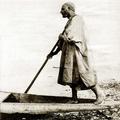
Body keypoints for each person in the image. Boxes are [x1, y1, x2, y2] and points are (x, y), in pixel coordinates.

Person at [47, 2, 104, 104]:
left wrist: (62, 36)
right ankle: (74, 98)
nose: (61, 11)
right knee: (70, 75)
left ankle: (100, 94)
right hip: (69, 53)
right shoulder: (70, 21)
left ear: (69, 9)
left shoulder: (77, 20)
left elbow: (71, 37)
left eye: (63, 9)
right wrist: (54, 53)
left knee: (83, 74)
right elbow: (63, 41)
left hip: (77, 53)